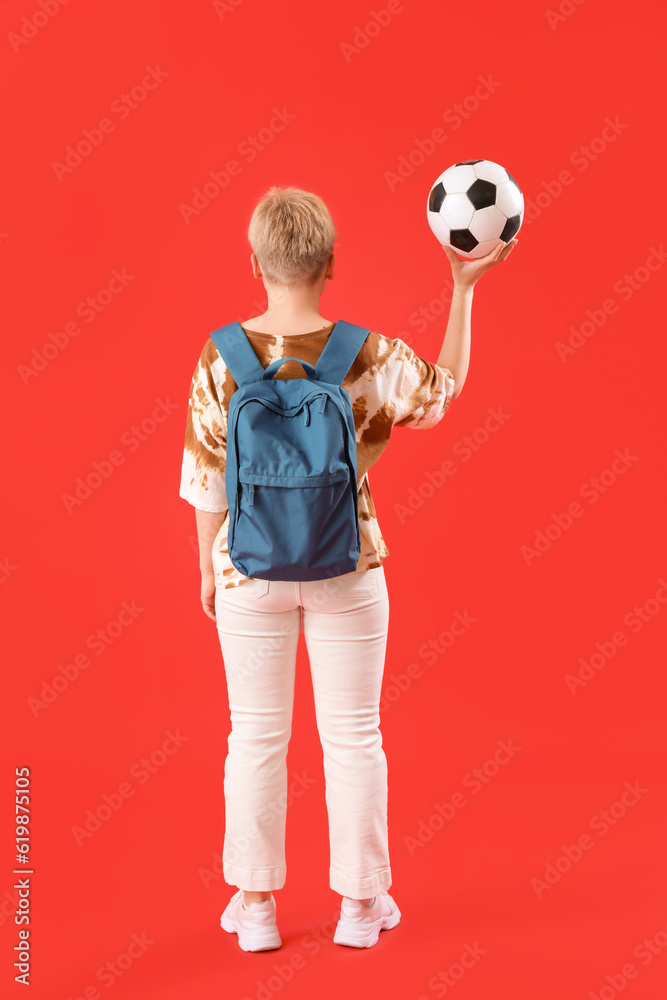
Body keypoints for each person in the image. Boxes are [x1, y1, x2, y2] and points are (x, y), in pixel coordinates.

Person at [179, 186, 517, 951]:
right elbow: (440, 394)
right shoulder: (363, 352)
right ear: (330, 264)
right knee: (354, 738)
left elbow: (203, 473)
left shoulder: (220, 355)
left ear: (255, 263)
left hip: (247, 570)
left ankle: (257, 909)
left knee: (255, 739)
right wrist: (461, 291)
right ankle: (361, 910)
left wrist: (208, 564)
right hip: (347, 565)